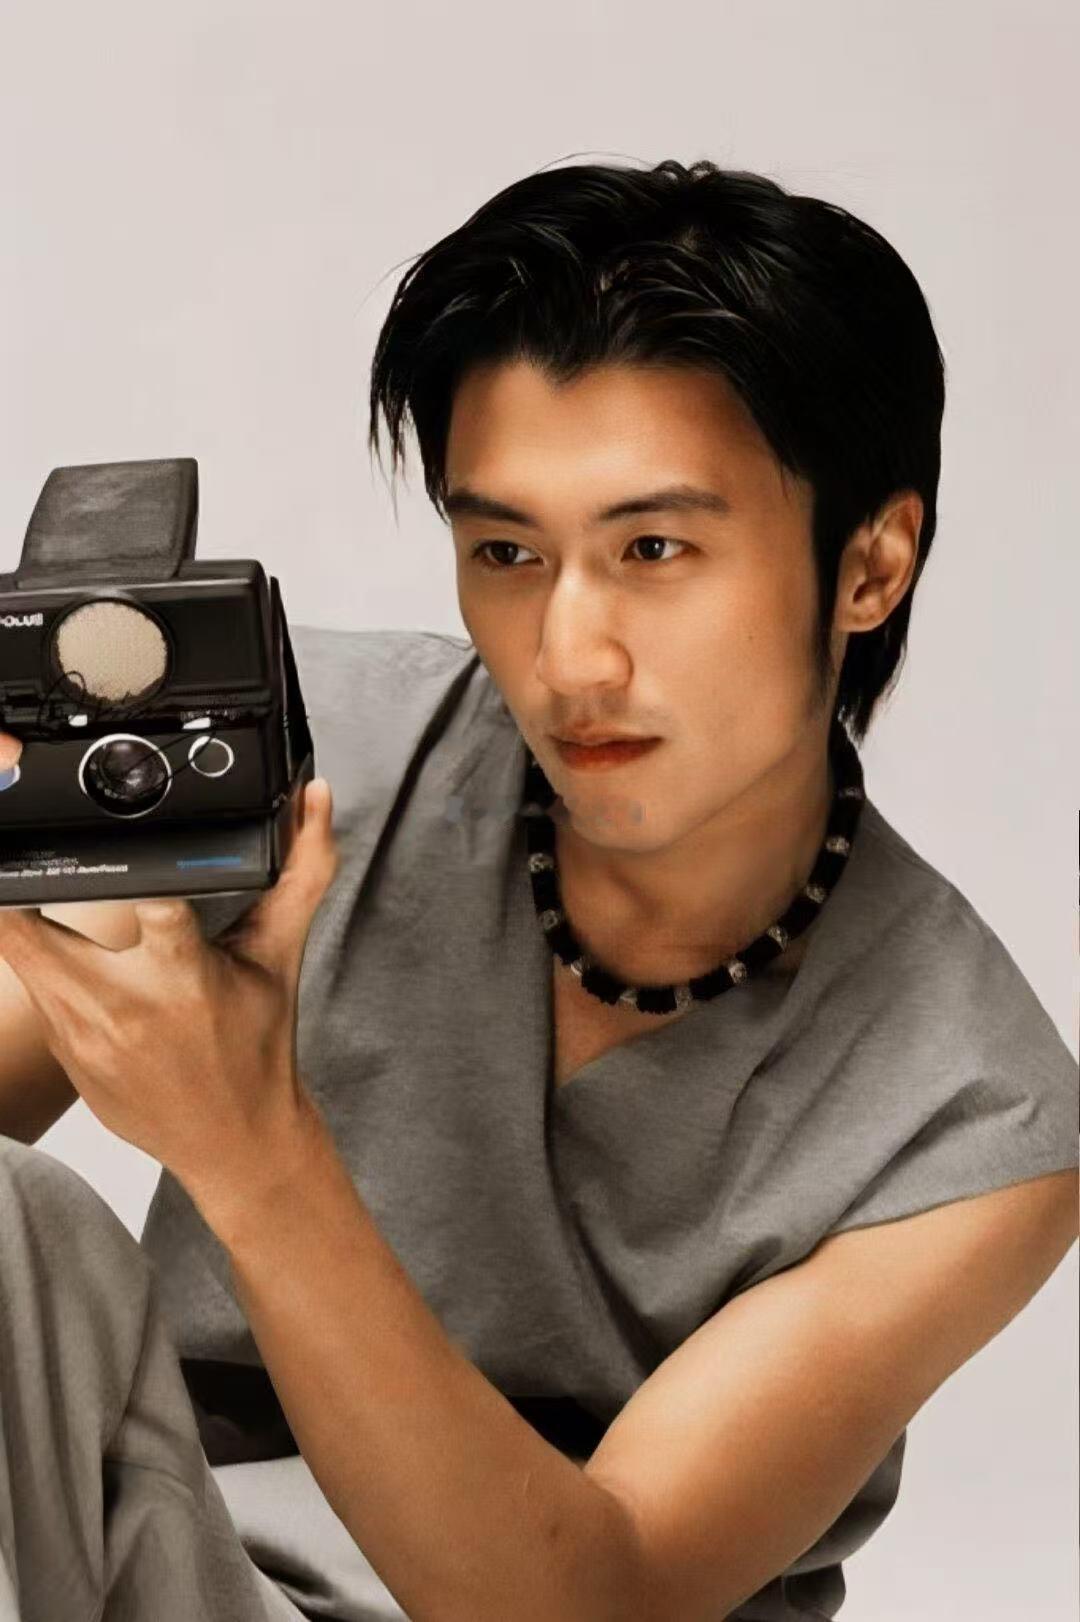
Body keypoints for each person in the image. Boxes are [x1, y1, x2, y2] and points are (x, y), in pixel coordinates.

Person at [0, 158, 1076, 1622]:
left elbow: (595, 1601)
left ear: (871, 564)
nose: (570, 656)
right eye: (505, 550)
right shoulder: (298, 765)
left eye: (654, 549)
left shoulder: (973, 1116)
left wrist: (253, 1150)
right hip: (156, 1569)